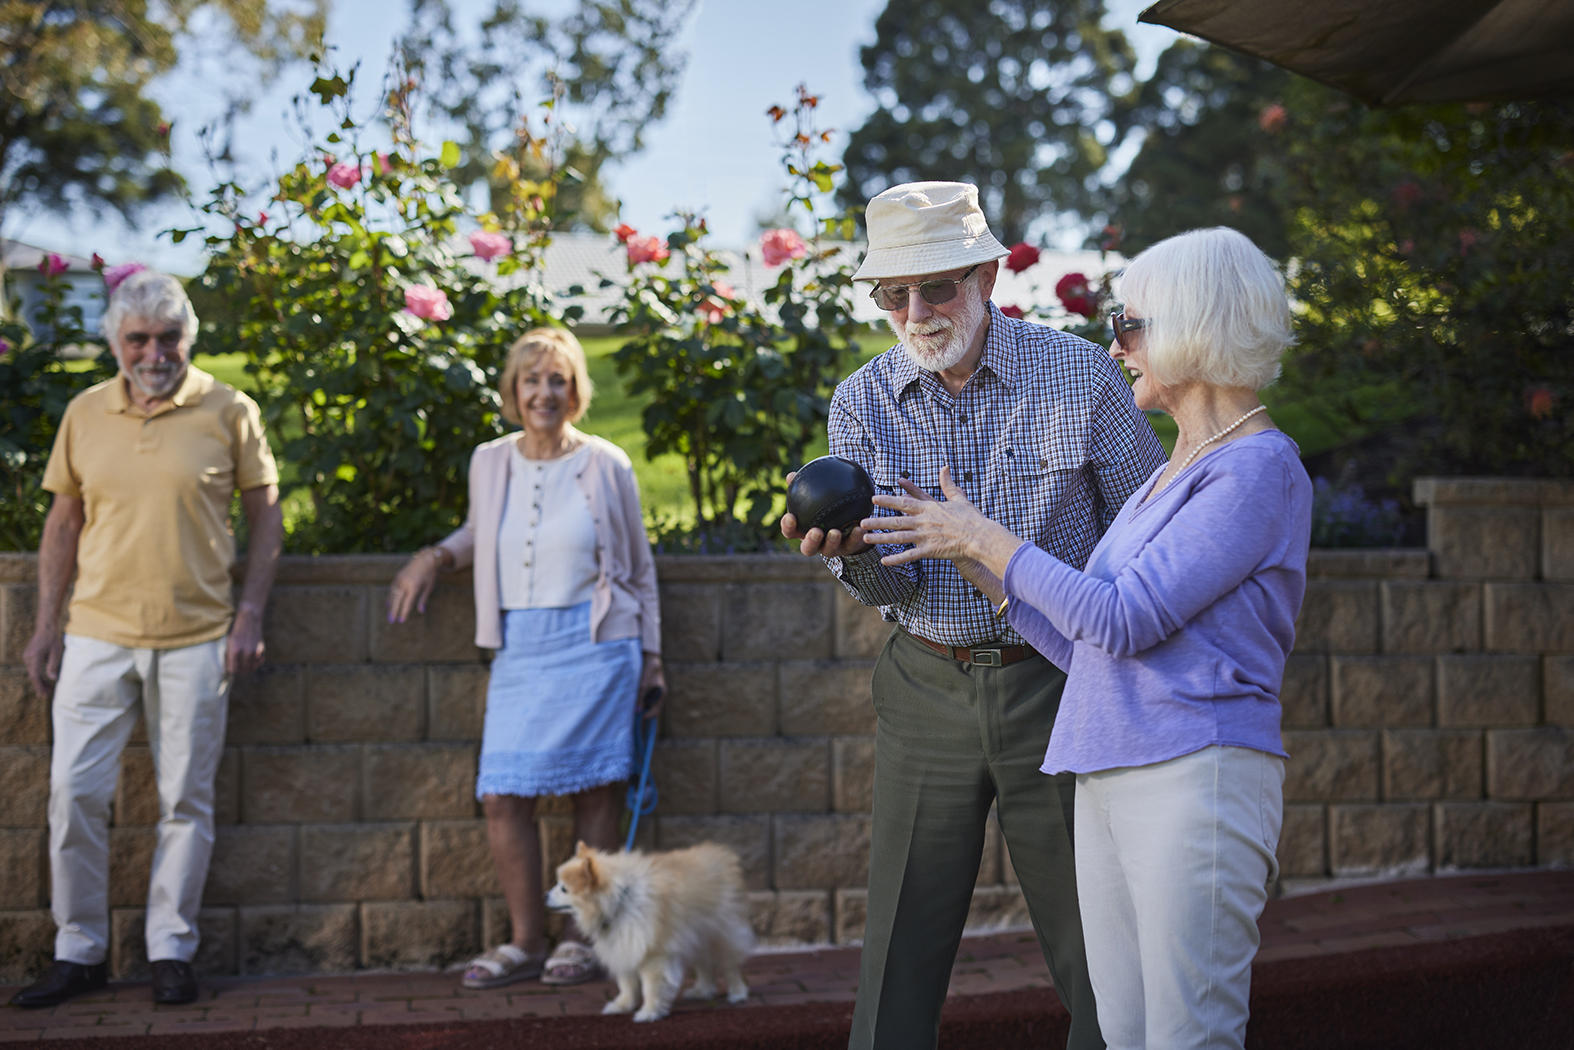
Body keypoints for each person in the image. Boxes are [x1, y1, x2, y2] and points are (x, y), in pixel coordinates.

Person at [861, 226, 1312, 1050]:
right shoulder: (1179, 466)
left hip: (1193, 771)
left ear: (1194, 326)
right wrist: (960, 552)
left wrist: (985, 538)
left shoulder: (1255, 468)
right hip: (1113, 764)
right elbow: (1088, 639)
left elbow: (1121, 617)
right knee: (1126, 1032)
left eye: (1129, 325)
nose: (1115, 346)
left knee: (1187, 1035)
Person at [781, 181, 1166, 1050]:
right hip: (925, 687)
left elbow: (1145, 539)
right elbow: (895, 589)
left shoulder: (1080, 378)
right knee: (898, 963)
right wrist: (853, 564)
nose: (916, 311)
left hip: (1062, 689)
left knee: (1101, 950)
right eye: (893, 294)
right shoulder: (863, 402)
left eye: (938, 286)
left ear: (986, 274)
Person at [11, 270, 284, 1008]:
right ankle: (80, 951)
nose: (154, 352)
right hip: (96, 635)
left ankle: (171, 948)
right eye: (138, 339)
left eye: (169, 337)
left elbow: (267, 517)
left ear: (189, 339)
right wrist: (45, 629)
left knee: (185, 803)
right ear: (116, 344)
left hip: (199, 638)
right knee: (73, 794)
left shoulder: (231, 409)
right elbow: (62, 524)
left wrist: (250, 612)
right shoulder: (85, 412)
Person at [387, 327, 664, 989]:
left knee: (595, 791)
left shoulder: (606, 462)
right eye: (532, 380)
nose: (544, 392)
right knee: (502, 793)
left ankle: (582, 937)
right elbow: (482, 530)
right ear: (514, 391)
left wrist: (653, 659)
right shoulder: (491, 460)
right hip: (521, 646)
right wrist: (434, 557)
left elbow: (639, 567)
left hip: (597, 644)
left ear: (575, 391)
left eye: (558, 379)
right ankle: (524, 941)